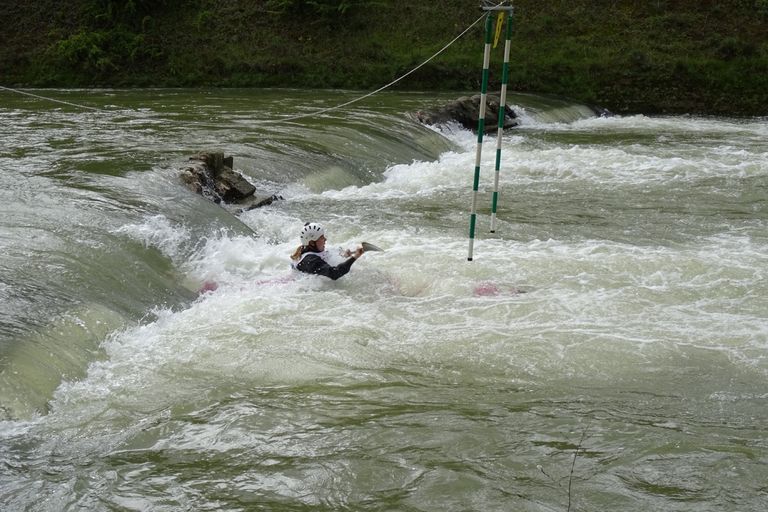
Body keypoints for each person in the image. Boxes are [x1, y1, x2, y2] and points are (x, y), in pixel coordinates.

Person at [290, 222, 364, 280]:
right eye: (322, 238)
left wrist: (345, 255)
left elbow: (330, 256)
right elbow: (334, 273)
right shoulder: (310, 260)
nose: (325, 239)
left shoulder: (311, 250)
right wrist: (355, 256)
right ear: (312, 243)